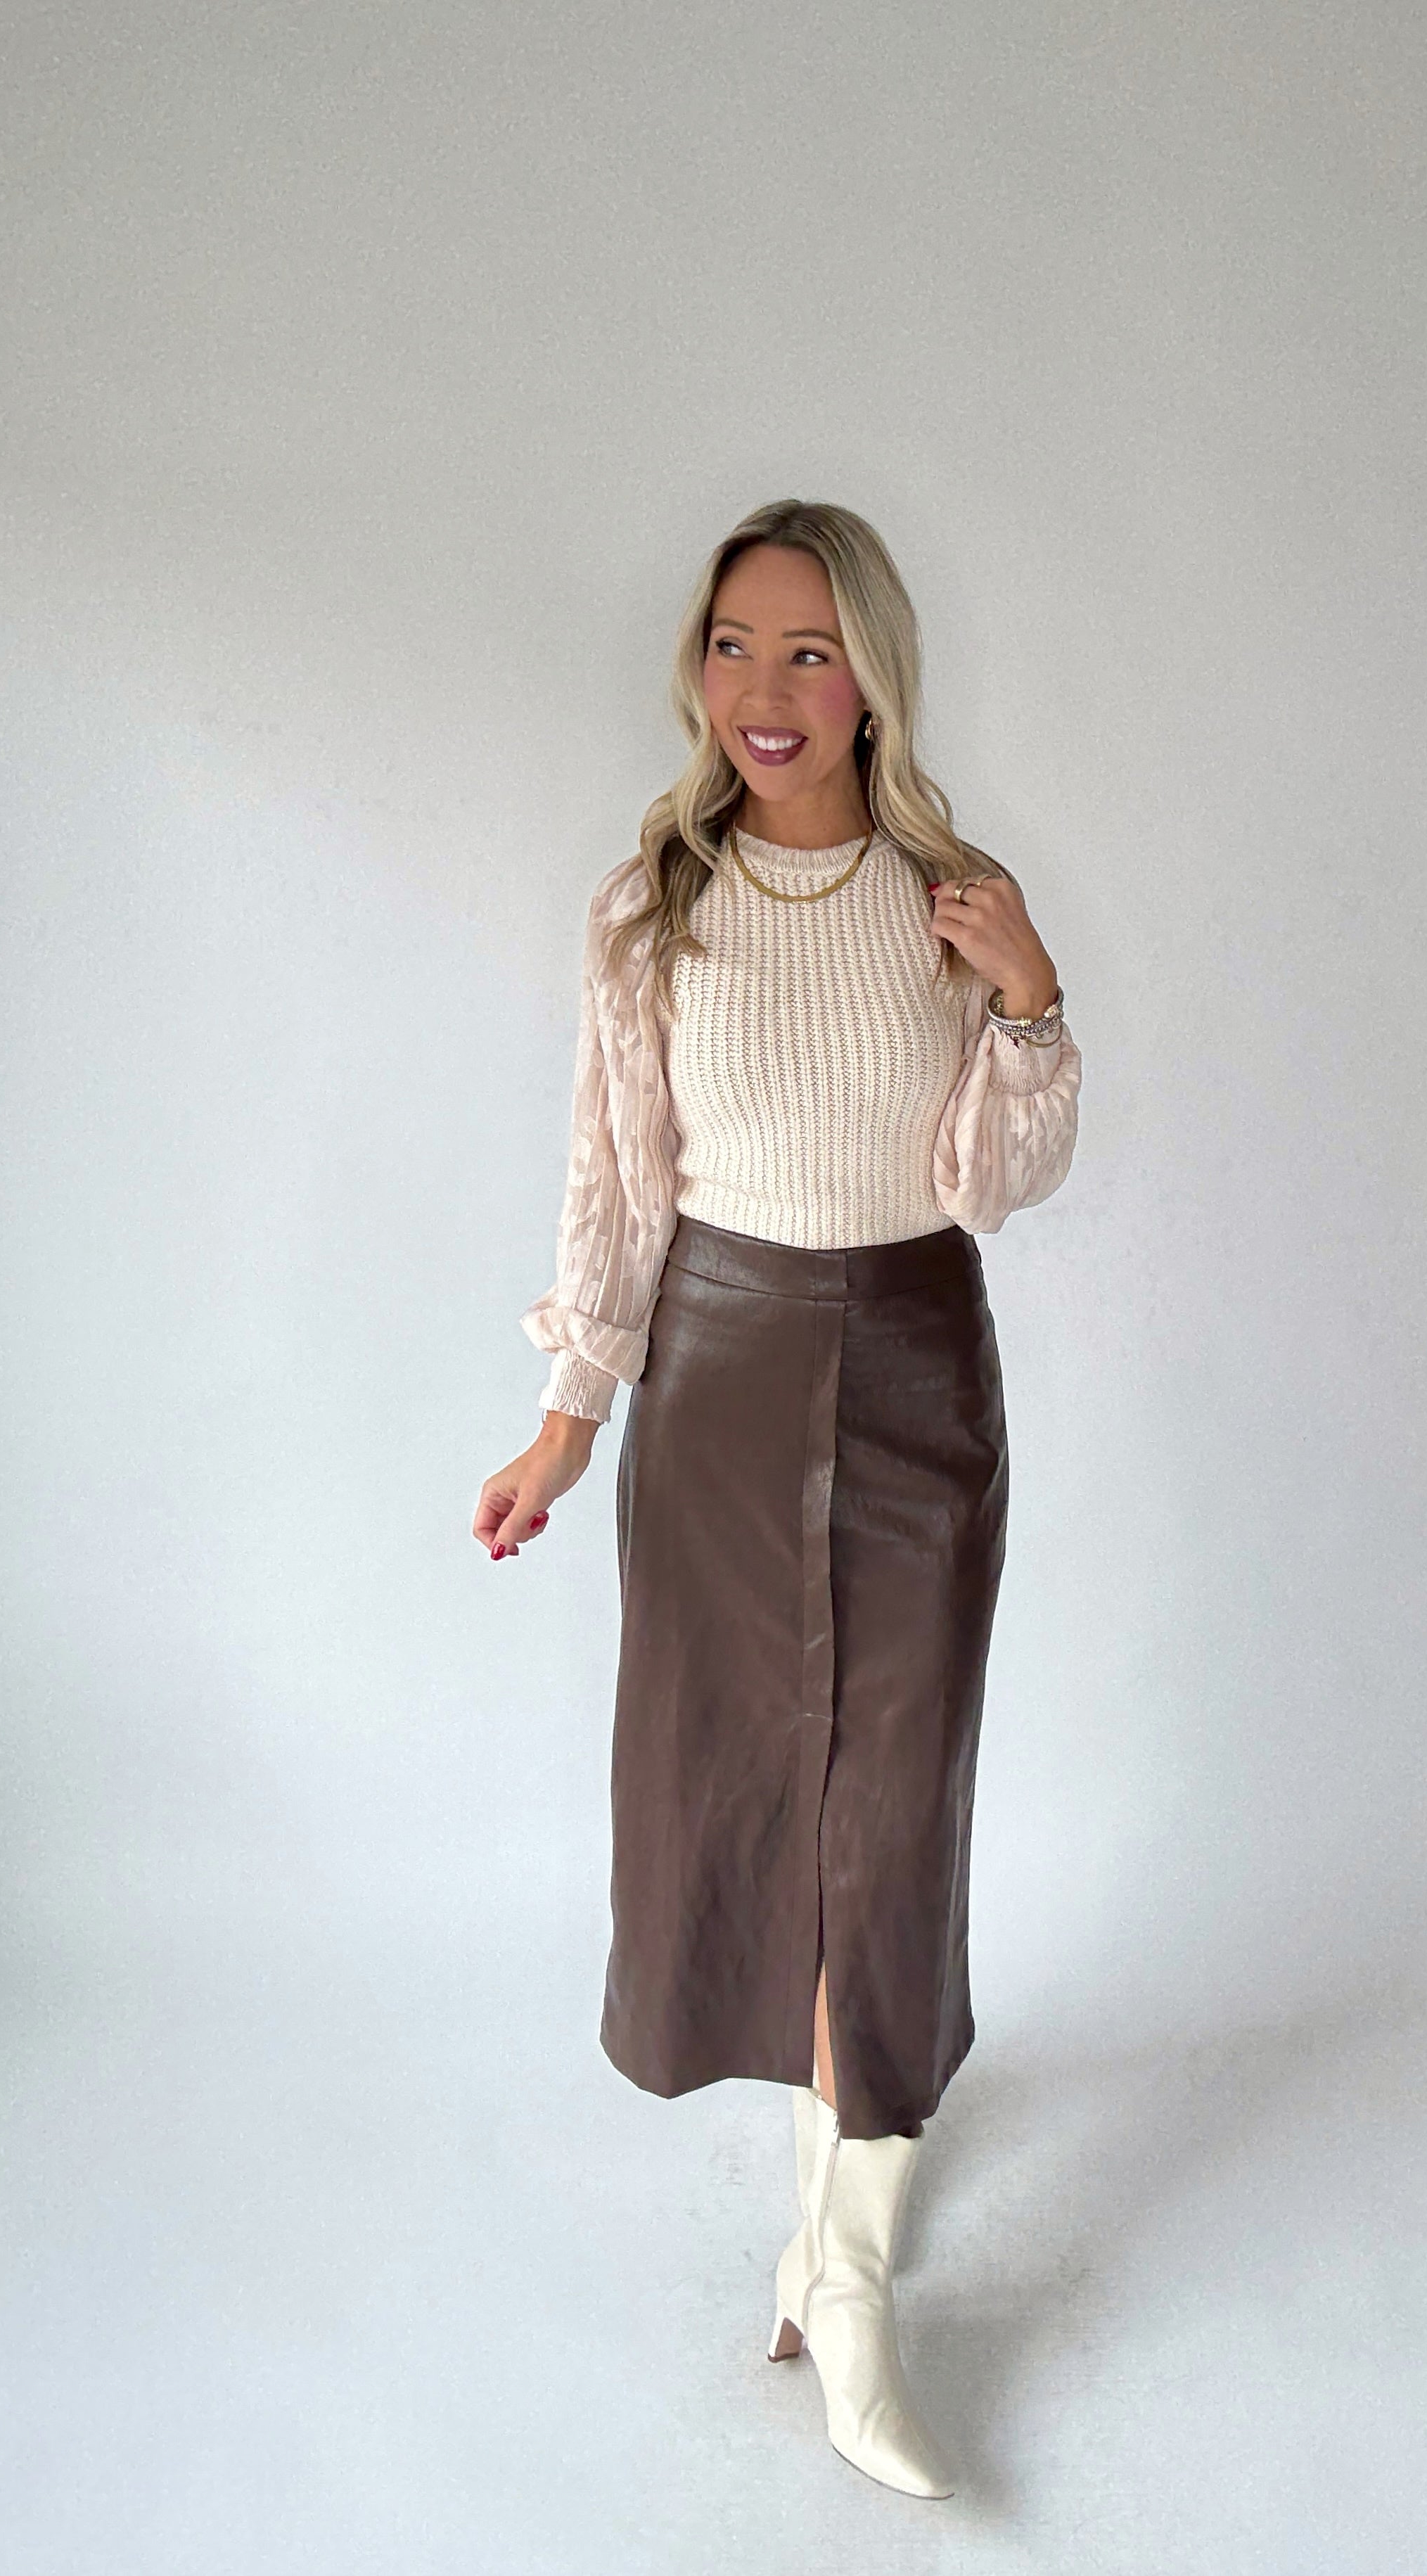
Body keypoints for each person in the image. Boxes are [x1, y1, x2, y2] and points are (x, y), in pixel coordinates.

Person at [472, 499, 1081, 2498]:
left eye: (809, 650)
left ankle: (851, 2281)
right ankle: (836, 2246)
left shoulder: (948, 894)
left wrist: (1026, 997)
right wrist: (567, 1419)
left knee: (890, 1812)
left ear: (871, 677)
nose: (766, 688)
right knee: (747, 1794)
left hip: (915, 1367)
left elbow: (996, 1182)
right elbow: (615, 1180)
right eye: (734, 644)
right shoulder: (649, 905)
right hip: (719, 1380)